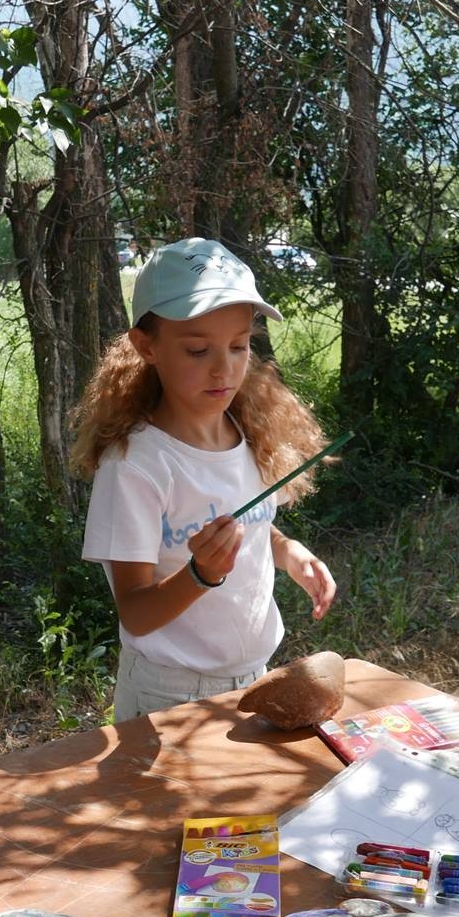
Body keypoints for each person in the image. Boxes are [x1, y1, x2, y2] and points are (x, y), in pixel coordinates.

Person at [73, 237, 337, 722]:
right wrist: (200, 575)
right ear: (146, 345)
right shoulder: (136, 464)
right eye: (198, 350)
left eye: (239, 346)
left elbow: (251, 522)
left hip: (256, 675)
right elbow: (135, 611)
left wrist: (288, 552)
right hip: (169, 693)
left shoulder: (243, 431)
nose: (224, 368)